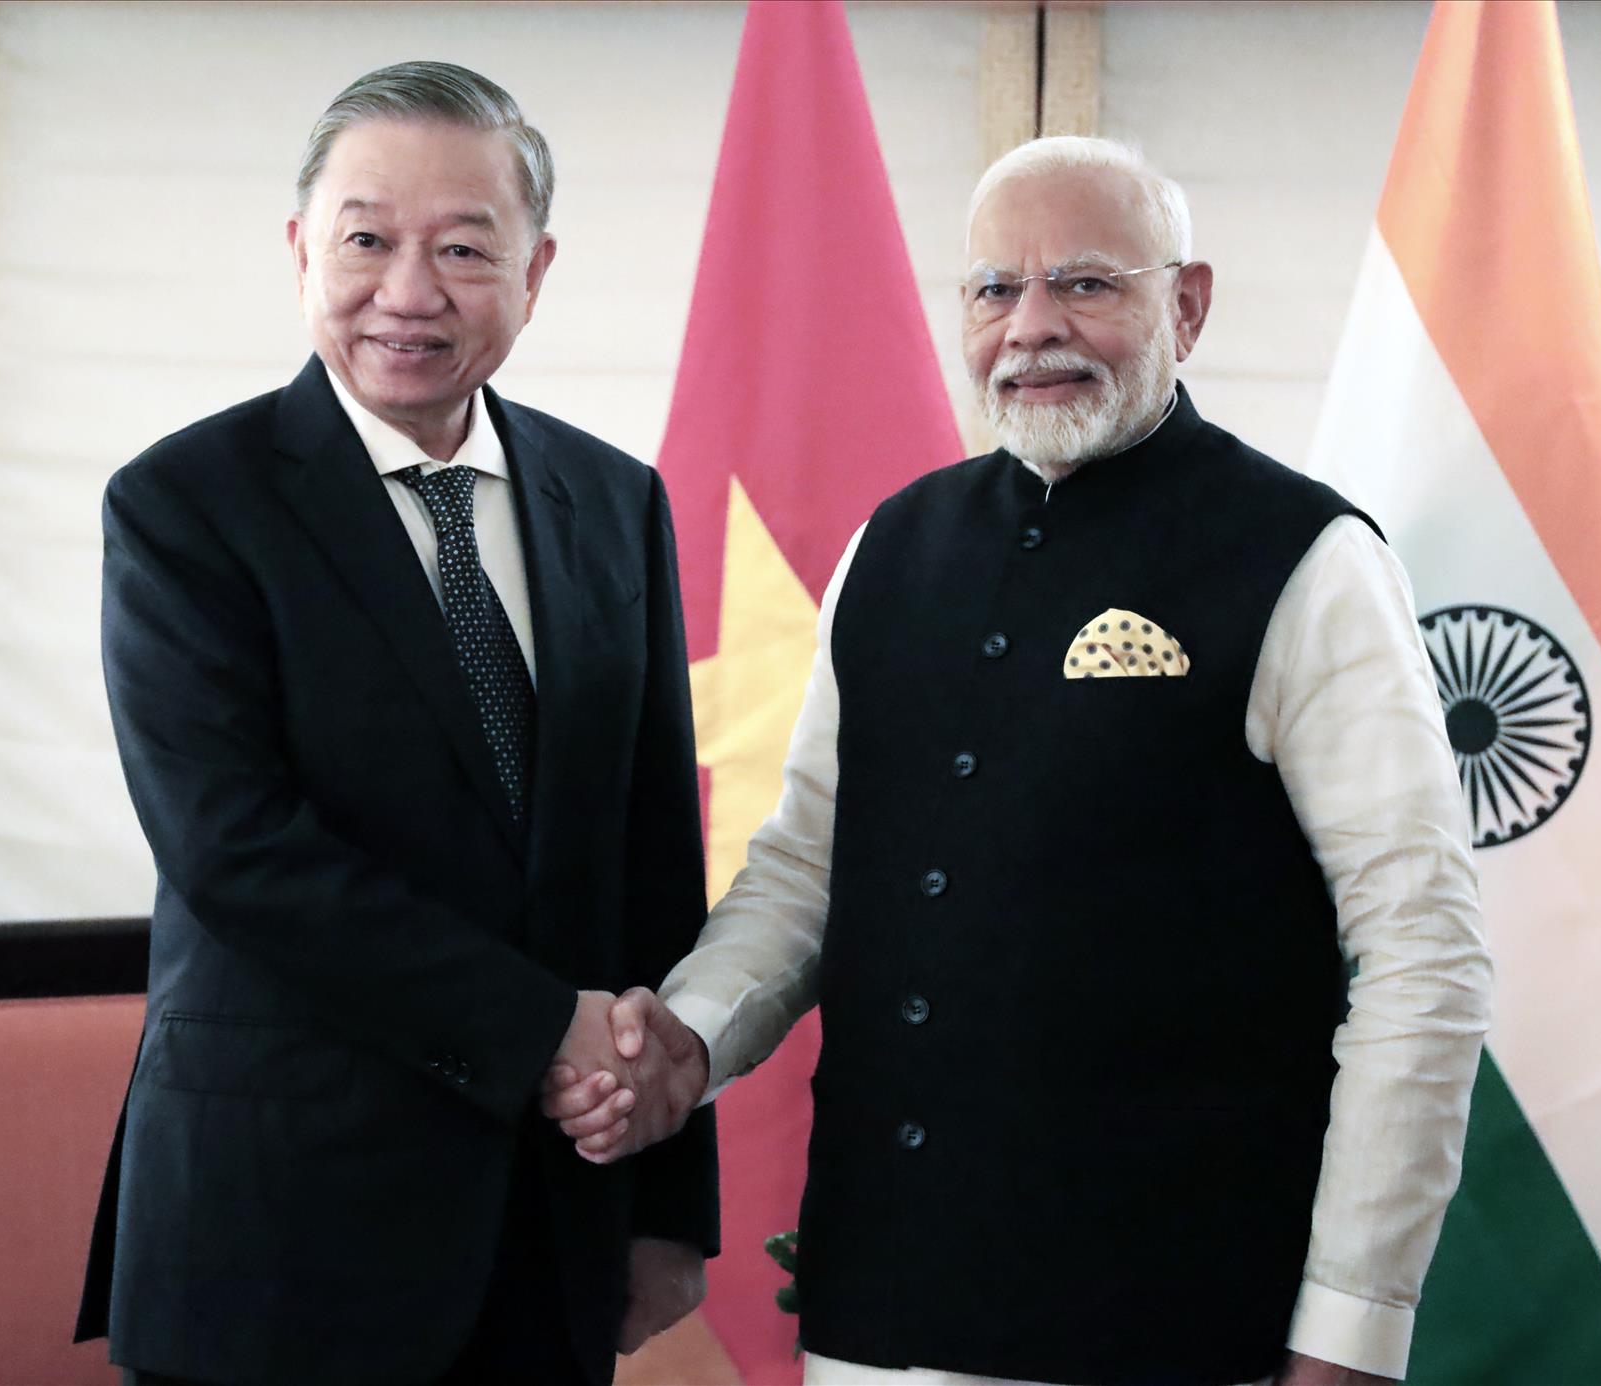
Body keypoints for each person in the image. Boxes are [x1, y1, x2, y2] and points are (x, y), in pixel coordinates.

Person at [544, 136, 1493, 1386]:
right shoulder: (892, 548)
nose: (1032, 327)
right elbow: (807, 873)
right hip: (875, 1315)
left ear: (1187, 305)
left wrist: (1354, 1325)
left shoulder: (1310, 561)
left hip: (1175, 1326)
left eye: (1086, 283)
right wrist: (692, 1038)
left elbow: (1423, 952)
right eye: (997, 289)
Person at [74, 61, 716, 1386]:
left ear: (537, 272)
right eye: (367, 240)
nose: (409, 292)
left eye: (464, 248)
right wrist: (542, 1028)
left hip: (548, 1231)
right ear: (302, 250)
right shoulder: (188, 504)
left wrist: (665, 1200)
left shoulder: (614, 502)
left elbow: (654, 859)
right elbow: (237, 851)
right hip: (277, 1232)